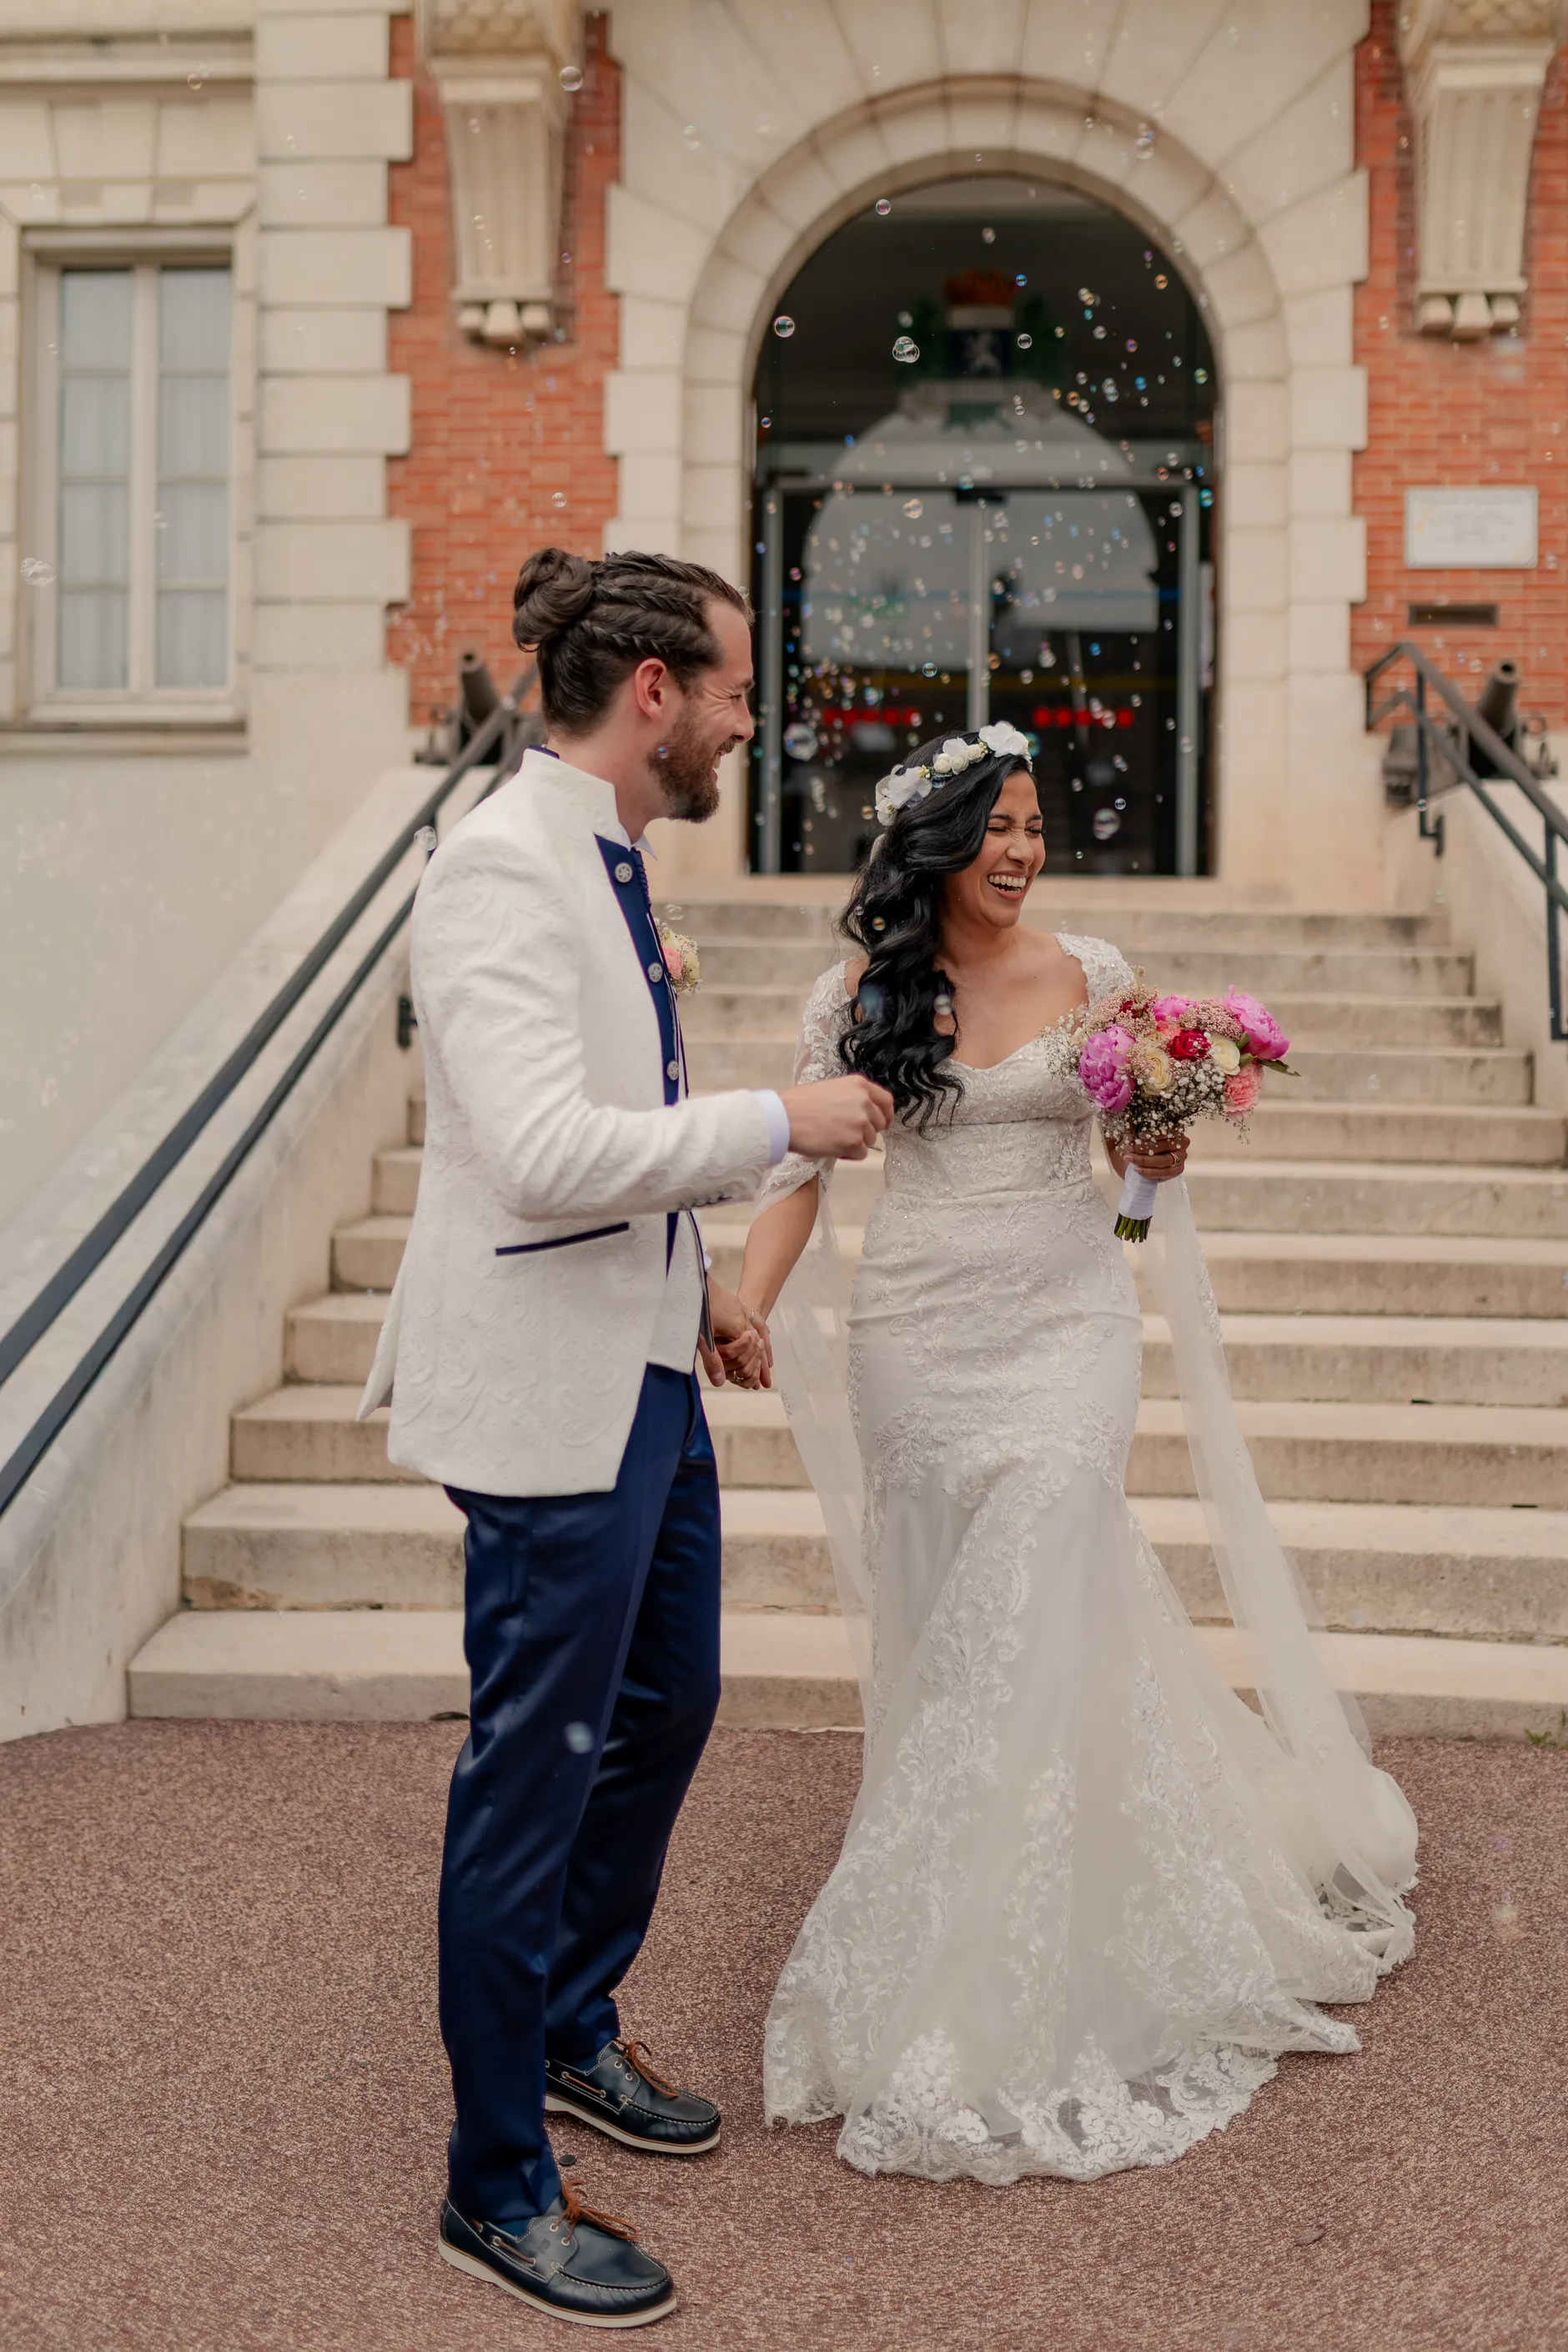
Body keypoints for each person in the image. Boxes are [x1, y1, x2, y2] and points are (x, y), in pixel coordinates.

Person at [734, 723, 1420, 2187]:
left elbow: (1130, 1192)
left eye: (1039, 825)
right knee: (952, 1645)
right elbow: (799, 1172)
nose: (1026, 849)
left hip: (1066, 1338)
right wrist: (747, 1297)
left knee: (1034, 1597)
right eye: (1000, 827)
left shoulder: (1099, 979)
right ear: (938, 846)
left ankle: (994, 1982)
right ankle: (984, 1912)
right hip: (917, 1350)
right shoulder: (856, 996)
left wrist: (1156, 1170)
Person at [359, 546, 892, 2325]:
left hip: (644, 1375)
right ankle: (492, 2185)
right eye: (734, 688)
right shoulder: (501, 867)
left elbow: (614, 1143)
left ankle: (570, 2026)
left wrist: (704, 1300)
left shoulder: (607, 859)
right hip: (541, 1409)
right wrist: (775, 1118)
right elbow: (537, 1155)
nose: (752, 718)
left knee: (666, 1711)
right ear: (652, 690)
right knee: (530, 1779)